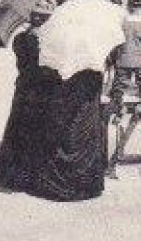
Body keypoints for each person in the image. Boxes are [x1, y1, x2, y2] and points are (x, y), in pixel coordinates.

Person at [0, 2, 58, 192]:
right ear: (41, 19)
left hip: (23, 88)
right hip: (38, 91)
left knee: (18, 131)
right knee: (34, 133)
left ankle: (12, 175)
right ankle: (30, 177)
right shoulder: (39, 42)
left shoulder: (20, 38)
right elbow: (43, 69)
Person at [30, 61, 110, 203]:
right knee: (85, 142)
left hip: (71, 106)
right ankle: (87, 186)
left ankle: (60, 185)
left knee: (66, 138)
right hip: (87, 112)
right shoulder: (96, 59)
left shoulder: (65, 59)